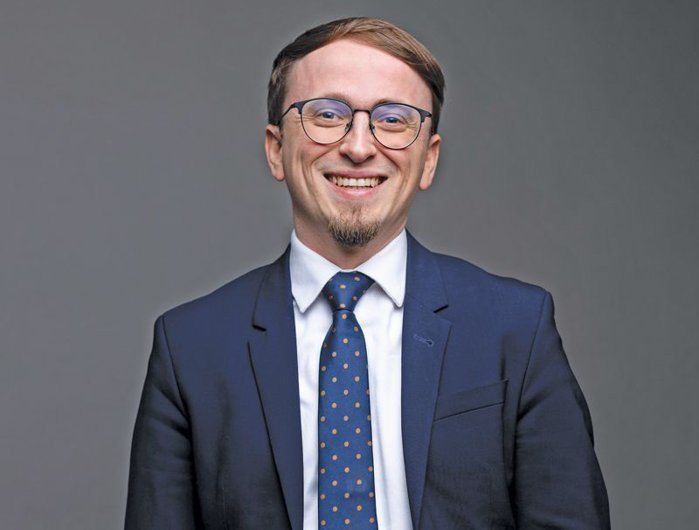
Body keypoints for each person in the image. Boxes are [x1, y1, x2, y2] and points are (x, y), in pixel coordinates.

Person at [125, 17, 610, 530]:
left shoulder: (516, 328)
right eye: (327, 114)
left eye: (393, 119)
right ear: (275, 150)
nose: (359, 147)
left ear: (429, 160)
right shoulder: (190, 347)